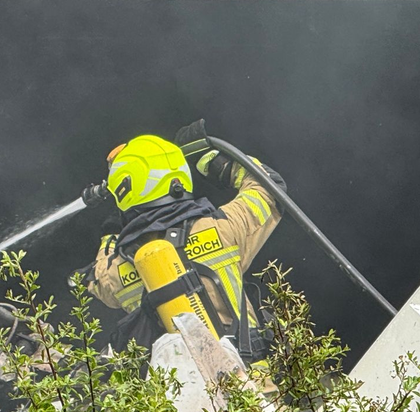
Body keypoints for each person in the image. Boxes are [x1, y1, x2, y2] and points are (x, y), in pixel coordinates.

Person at [74, 127, 284, 361]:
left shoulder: (117, 271)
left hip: (180, 395)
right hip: (254, 387)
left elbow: (96, 279)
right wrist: (220, 164)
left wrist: (110, 237)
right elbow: (269, 188)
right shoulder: (223, 228)